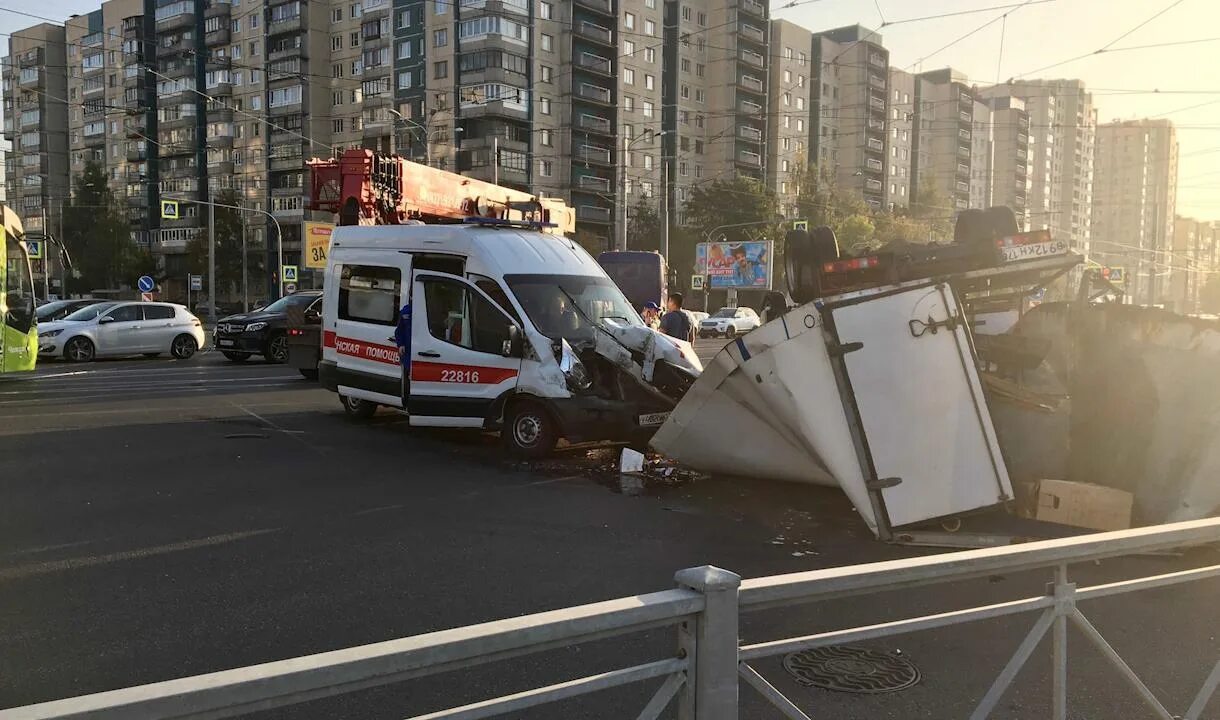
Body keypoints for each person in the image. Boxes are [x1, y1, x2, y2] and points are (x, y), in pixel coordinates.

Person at [395, 301, 412, 404]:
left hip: (417, 351)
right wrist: (400, 344)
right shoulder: (406, 311)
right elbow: (399, 330)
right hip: (407, 352)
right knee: (406, 378)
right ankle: (406, 401)